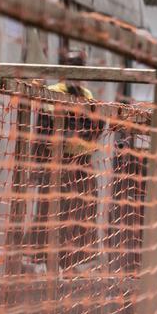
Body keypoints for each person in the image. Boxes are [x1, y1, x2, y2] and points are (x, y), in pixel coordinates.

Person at [37, 49, 103, 269]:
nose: (76, 72)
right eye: (71, 67)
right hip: (57, 165)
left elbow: (94, 128)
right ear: (63, 69)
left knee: (83, 217)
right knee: (53, 217)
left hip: (82, 165)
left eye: (79, 67)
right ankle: (48, 266)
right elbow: (45, 132)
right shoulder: (52, 93)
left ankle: (74, 265)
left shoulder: (87, 96)